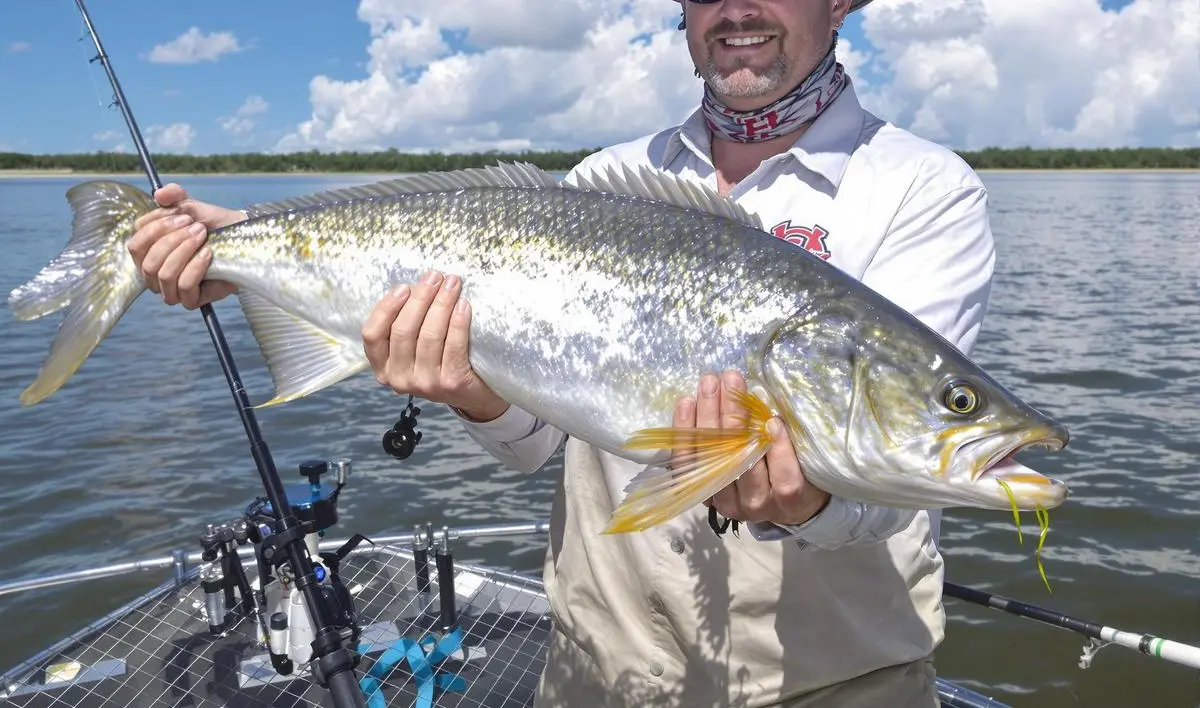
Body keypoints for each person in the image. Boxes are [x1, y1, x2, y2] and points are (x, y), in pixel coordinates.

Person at [128, 0, 996, 705]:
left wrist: (808, 505)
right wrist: (463, 388)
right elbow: (534, 444)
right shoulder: (603, 182)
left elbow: (895, 475)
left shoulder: (922, 189)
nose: (736, 9)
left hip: (834, 686)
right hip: (595, 673)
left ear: (841, 2)